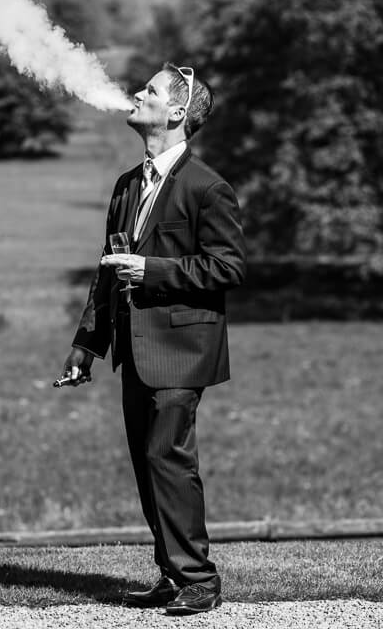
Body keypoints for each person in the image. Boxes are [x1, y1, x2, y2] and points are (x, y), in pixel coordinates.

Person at [60, 63, 246, 616]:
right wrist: (86, 345)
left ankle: (199, 579)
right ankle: (172, 575)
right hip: (133, 350)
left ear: (177, 112)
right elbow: (107, 270)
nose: (137, 94)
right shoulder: (125, 185)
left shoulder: (208, 188)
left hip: (183, 350)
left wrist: (152, 270)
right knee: (148, 461)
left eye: (151, 91)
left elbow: (228, 267)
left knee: (167, 455)